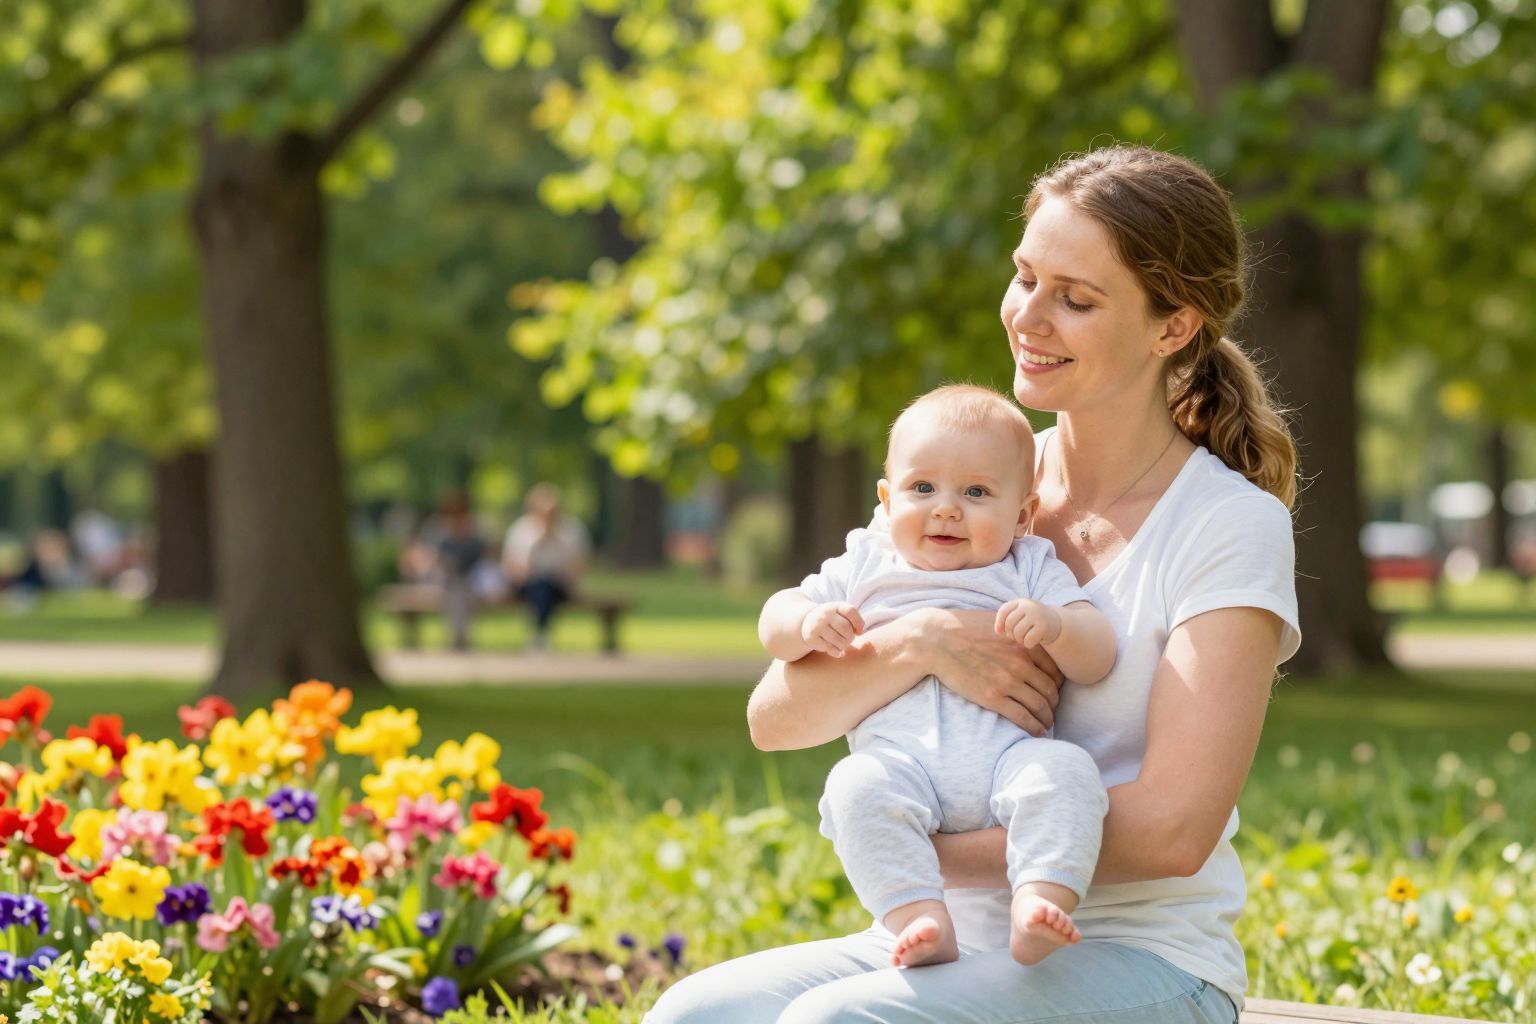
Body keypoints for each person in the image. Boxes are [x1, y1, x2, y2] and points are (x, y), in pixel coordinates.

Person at [645, 144, 1300, 1023]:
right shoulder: (966, 479)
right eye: (1025, 277)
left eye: (1075, 299)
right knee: (692, 1015)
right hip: (946, 937)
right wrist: (922, 644)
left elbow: (1175, 833)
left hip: (1143, 959)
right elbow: (776, 717)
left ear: (1172, 326)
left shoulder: (1225, 523)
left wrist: (918, 847)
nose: (1029, 316)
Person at [760, 385, 1117, 971]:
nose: (946, 508)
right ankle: (920, 917)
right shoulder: (866, 562)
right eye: (922, 488)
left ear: (1023, 514)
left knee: (1067, 774)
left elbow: (1097, 653)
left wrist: (1055, 625)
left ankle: (1040, 902)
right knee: (855, 788)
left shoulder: (1028, 566)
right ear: (886, 497)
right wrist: (805, 623)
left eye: (976, 492)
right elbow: (774, 619)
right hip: (902, 768)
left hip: (1009, 762)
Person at [502, 483, 590, 651]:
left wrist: (556, 542)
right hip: (527, 585)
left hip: (560, 586)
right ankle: (541, 633)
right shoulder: (521, 529)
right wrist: (539, 542)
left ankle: (539, 634)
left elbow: (578, 566)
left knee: (546, 585)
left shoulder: (572, 529)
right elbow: (513, 567)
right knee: (541, 585)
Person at [432, 491, 485, 652]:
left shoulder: (474, 534)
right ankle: (459, 636)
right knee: (456, 588)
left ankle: (458, 636)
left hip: (471, 580)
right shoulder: (439, 533)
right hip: (445, 580)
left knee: (459, 588)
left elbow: (478, 558)